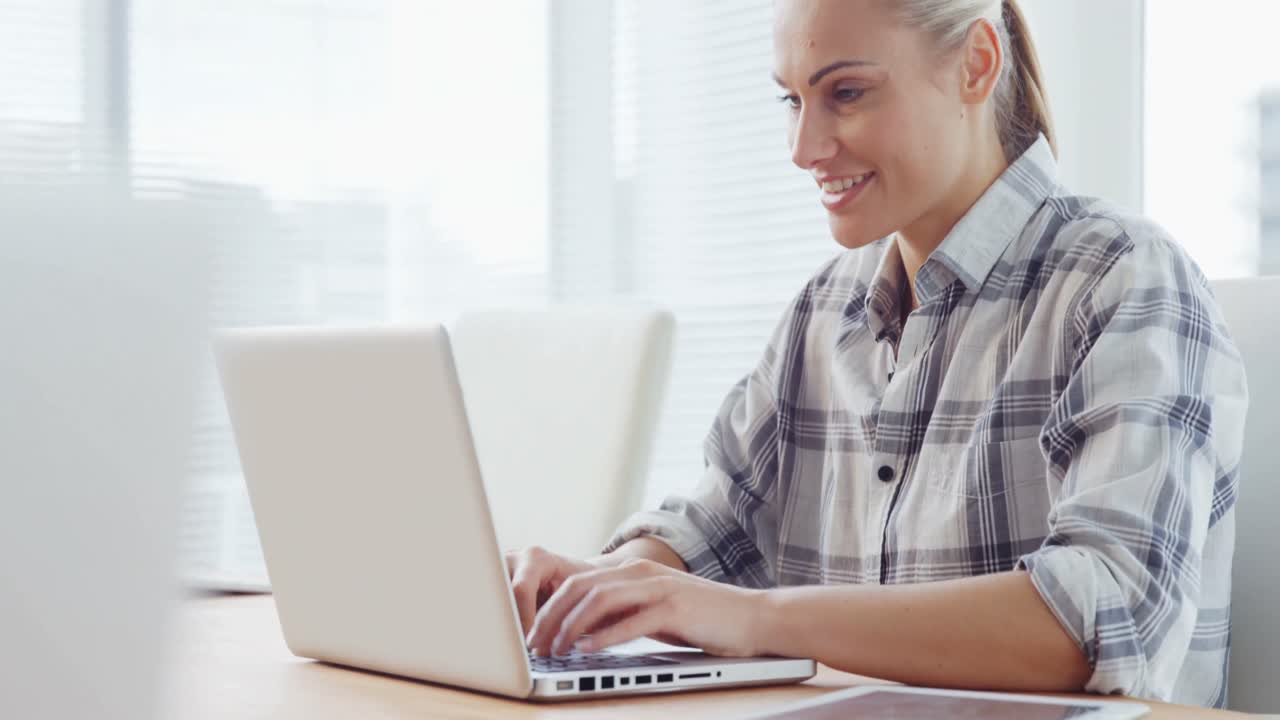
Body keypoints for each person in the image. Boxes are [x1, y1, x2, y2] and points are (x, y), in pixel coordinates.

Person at [509, 0, 1248, 708]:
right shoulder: (823, 311)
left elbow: (1099, 617)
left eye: (847, 92)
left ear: (976, 64)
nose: (802, 150)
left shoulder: (1122, 279)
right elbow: (717, 528)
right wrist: (597, 587)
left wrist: (755, 617)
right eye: (794, 102)